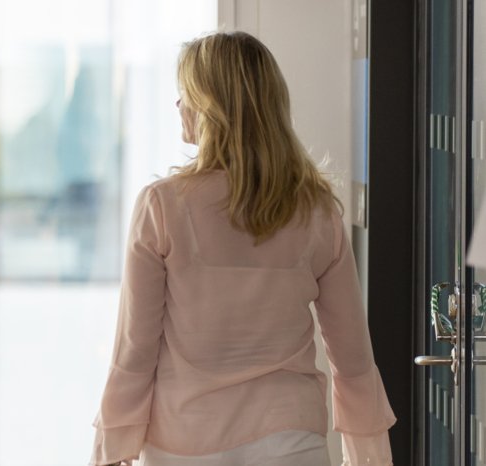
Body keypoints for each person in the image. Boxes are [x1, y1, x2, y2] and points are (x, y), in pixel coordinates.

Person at [89, 31, 396, 466]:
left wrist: (112, 447)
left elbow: (134, 350)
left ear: (213, 107)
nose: (179, 105)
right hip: (292, 442)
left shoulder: (161, 206)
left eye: (187, 93)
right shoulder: (317, 211)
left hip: (184, 445)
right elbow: (353, 357)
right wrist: (369, 456)